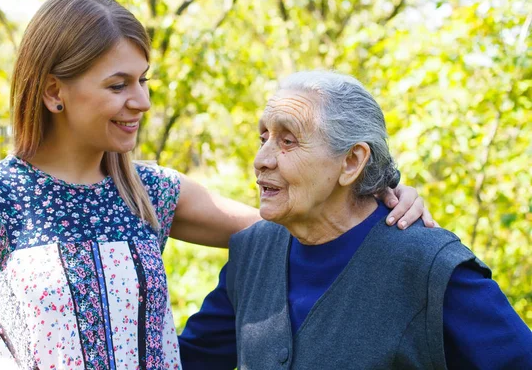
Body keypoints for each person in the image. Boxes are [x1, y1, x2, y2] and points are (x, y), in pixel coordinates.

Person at [0, 0, 432, 369]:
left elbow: (299, 222)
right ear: (52, 91)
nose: (143, 102)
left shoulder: (150, 192)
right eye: (118, 85)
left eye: (143, 80)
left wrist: (378, 196)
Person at [179, 71, 532, 369]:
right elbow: (186, 360)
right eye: (263, 138)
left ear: (351, 161)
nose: (261, 159)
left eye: (287, 141)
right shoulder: (251, 251)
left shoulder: (430, 266)